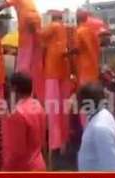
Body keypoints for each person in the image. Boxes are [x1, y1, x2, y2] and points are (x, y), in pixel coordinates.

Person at [0, 0, 45, 102]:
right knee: (36, 58)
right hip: (36, 19)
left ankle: (22, 86)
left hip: (27, 20)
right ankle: (36, 92)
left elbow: (4, 4)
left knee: (24, 60)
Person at [1, 73, 46, 171]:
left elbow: (14, 152)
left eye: (8, 86)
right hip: (39, 164)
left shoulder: (16, 114)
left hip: (23, 169)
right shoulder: (37, 105)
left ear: (14, 88)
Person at [40, 11, 71, 152]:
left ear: (52, 18)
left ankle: (54, 143)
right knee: (63, 109)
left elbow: (40, 34)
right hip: (64, 72)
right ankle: (64, 141)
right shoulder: (66, 29)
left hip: (52, 71)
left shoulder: (53, 26)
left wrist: (34, 27)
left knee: (52, 110)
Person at [77, 83, 115, 171]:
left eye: (79, 100)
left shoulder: (100, 128)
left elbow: (110, 166)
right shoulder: (99, 115)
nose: (77, 103)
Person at [74, 10, 100, 87]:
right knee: (93, 93)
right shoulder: (93, 32)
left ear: (77, 19)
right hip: (94, 68)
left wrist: (66, 53)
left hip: (84, 68)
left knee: (85, 93)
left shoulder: (79, 31)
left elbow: (77, 49)